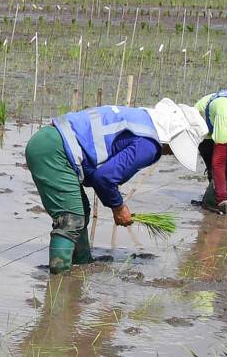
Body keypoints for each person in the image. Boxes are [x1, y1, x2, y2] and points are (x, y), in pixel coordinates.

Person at [22, 99, 206, 273]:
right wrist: (118, 207)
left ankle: (82, 262)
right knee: (71, 218)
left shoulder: (142, 119)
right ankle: (59, 279)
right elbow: (104, 178)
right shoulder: (149, 145)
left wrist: (114, 202)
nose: (170, 154)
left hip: (49, 141)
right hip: (54, 150)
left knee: (81, 211)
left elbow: (98, 174)